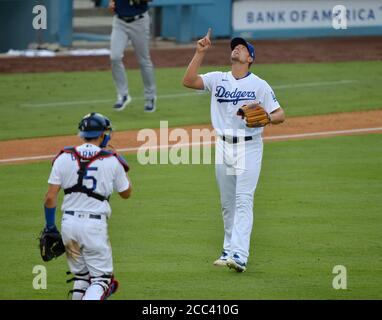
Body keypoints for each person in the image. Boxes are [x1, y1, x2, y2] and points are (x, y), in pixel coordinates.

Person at [182, 29, 285, 272]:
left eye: (242, 48)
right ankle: (228, 249)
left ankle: (239, 255)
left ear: (250, 58)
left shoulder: (259, 85)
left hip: (249, 146)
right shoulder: (218, 78)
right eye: (234, 47)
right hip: (223, 145)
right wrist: (199, 53)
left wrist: (267, 118)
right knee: (227, 203)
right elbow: (188, 81)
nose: (236, 49)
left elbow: (281, 114)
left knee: (243, 200)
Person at [42, 112, 132, 299]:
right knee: (101, 280)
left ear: (81, 134)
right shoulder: (111, 159)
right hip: (93, 228)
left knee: (82, 277)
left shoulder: (63, 157)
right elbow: (126, 193)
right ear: (103, 135)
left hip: (68, 226)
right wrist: (119, 162)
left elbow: (50, 198)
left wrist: (50, 226)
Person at [109, 0, 157, 112]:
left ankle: (150, 97)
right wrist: (111, 2)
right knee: (114, 57)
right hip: (119, 21)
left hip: (139, 21)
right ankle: (123, 95)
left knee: (143, 61)